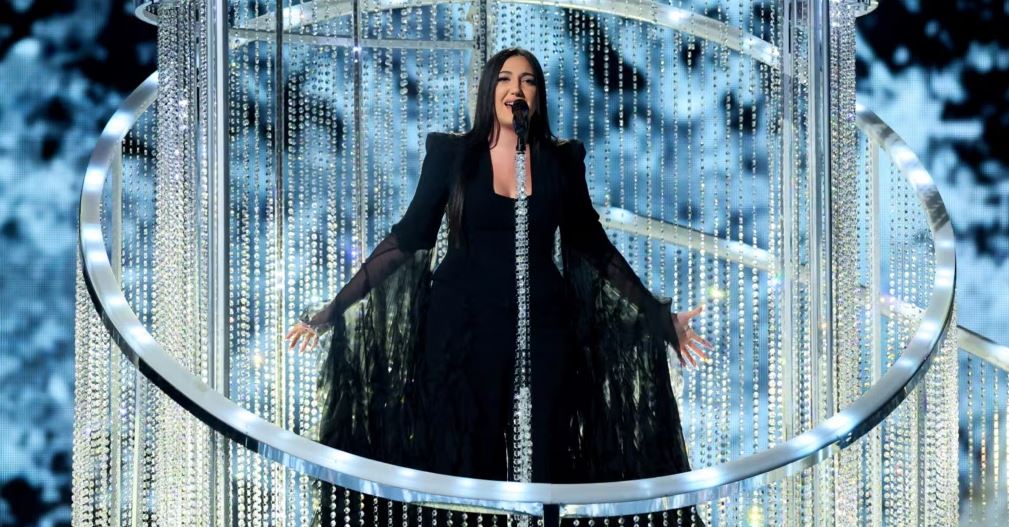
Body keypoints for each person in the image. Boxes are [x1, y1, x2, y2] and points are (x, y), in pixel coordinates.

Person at [287, 48, 711, 526]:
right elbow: (408, 238)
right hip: (461, 328)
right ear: (489, 90)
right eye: (505, 79)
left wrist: (659, 318)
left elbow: (594, 247)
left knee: (549, 453)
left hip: (543, 327)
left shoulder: (560, 161)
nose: (516, 89)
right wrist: (331, 311)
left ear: (538, 96)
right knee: (464, 457)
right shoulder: (452, 155)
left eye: (528, 81)